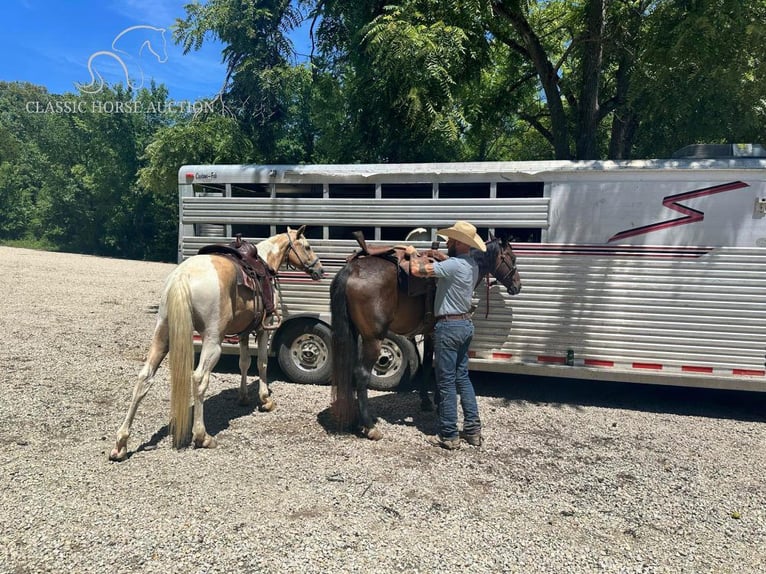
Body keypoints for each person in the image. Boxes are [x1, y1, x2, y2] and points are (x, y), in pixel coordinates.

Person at [406, 221, 485, 450]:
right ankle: (473, 430)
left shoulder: (452, 266)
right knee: (463, 377)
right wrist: (437, 255)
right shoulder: (472, 265)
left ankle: (449, 435)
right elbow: (450, 266)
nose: (447, 241)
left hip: (448, 327)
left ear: (460, 242)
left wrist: (413, 254)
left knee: (446, 381)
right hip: (465, 325)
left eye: (451, 239)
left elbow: (417, 271)